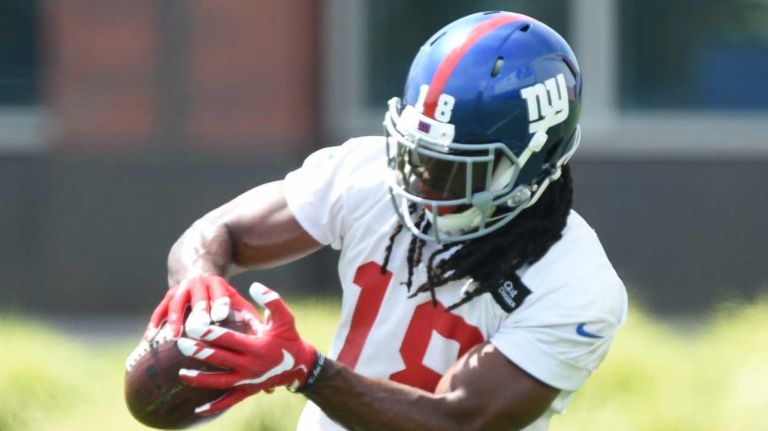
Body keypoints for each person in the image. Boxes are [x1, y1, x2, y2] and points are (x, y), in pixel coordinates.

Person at [142, 11, 627, 430]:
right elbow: (218, 233)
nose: (424, 185)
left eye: (458, 168)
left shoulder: (574, 284)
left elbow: (459, 421)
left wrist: (307, 371)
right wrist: (198, 283)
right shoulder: (370, 175)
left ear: (534, 163)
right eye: (419, 156)